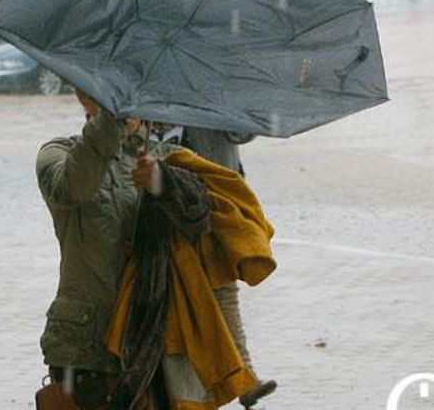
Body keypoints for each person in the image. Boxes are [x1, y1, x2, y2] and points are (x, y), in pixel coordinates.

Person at [34, 90, 275, 410]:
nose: (128, 108)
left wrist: (165, 185)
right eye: (115, 96)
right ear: (84, 98)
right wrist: (109, 121)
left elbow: (205, 236)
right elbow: (73, 188)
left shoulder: (172, 159)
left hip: (157, 346)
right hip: (86, 349)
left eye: (133, 97)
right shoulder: (57, 154)